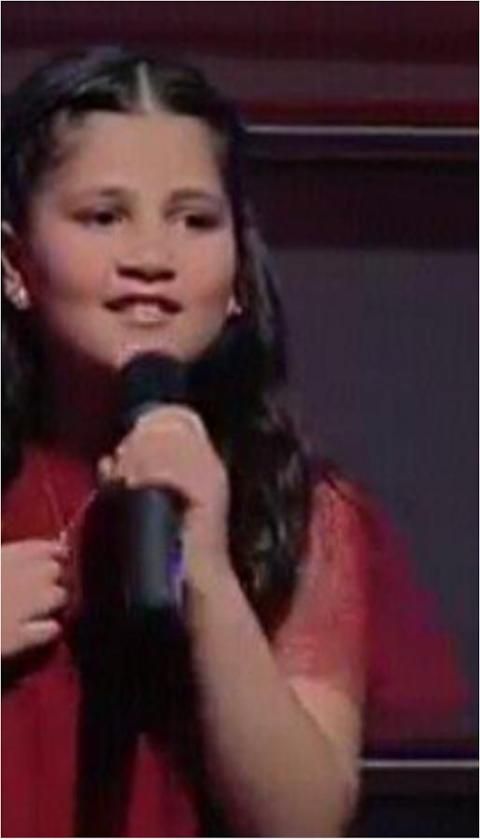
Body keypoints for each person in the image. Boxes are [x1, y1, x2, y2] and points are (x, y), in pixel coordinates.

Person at [1, 44, 467, 838]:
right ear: (14, 264)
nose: (152, 259)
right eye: (104, 217)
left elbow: (302, 822)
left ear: (239, 277)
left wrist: (209, 569)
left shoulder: (298, 508)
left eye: (194, 220)